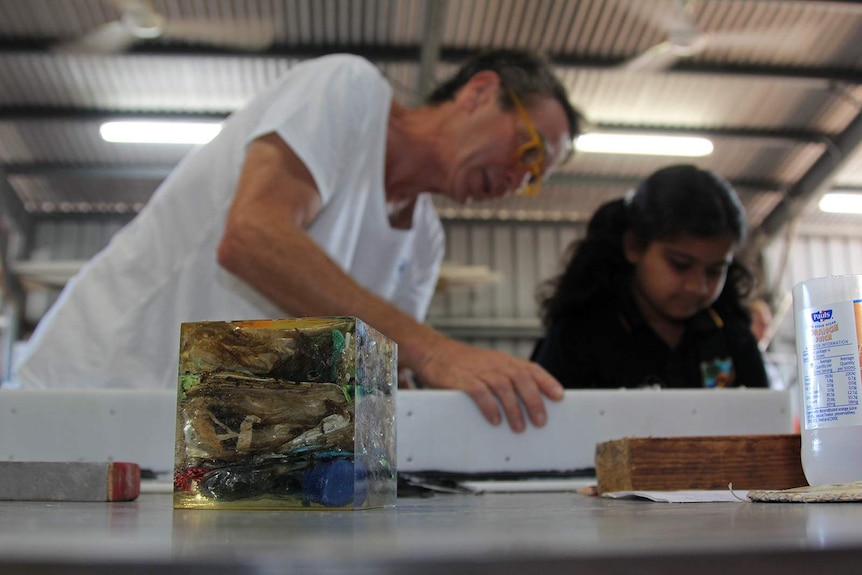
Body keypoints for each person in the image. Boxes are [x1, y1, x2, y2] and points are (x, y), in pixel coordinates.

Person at [13, 49, 584, 433]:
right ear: (480, 92)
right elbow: (253, 237)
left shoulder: (424, 242)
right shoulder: (349, 90)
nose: (518, 181)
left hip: (200, 443)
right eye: (528, 150)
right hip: (90, 390)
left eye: (535, 179)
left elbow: (379, 367)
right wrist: (434, 350)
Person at [531, 164, 768, 389]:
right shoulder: (579, 339)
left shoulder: (733, 337)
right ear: (634, 246)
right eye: (680, 265)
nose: (697, 286)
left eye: (715, 270)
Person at [749, 298, 787, 390]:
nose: (766, 331)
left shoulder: (767, 362)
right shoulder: (745, 360)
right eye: (761, 324)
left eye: (768, 325)